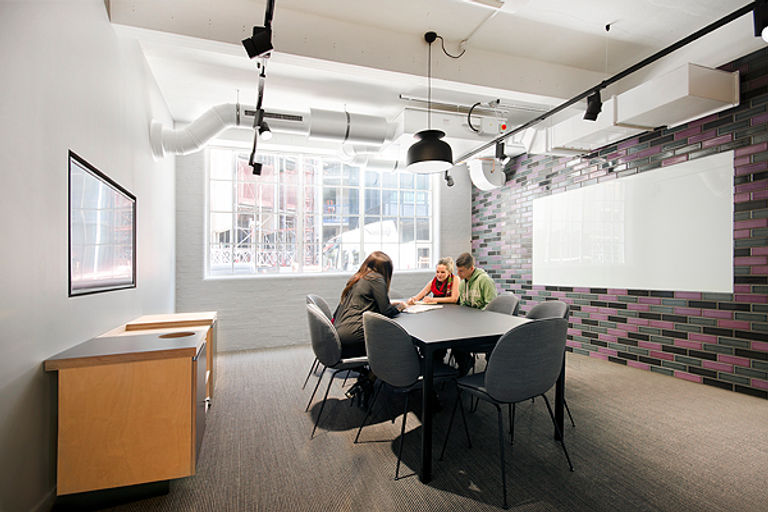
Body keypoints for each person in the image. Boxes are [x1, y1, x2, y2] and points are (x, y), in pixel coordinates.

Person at [333, 251, 406, 407]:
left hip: (339, 337)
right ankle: (368, 382)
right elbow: (386, 312)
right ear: (385, 269)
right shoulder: (376, 278)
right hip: (353, 338)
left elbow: (366, 305)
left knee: (387, 341)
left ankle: (367, 379)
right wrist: (400, 307)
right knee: (395, 344)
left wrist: (390, 304)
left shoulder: (358, 278)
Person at [454, 252, 498, 375]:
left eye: (461, 271)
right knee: (453, 338)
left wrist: (474, 318)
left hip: (485, 326)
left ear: (471, 268)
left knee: (458, 341)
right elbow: (464, 305)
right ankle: (465, 364)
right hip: (470, 325)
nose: (458, 274)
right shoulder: (462, 284)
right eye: (458, 270)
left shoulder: (485, 280)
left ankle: (484, 371)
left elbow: (491, 306)